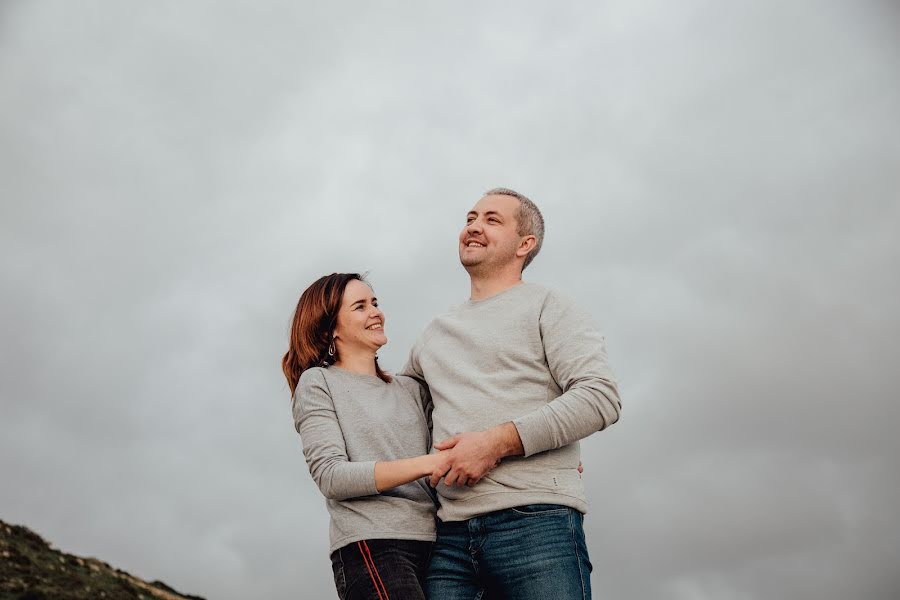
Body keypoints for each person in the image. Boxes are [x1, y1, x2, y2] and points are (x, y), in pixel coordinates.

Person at [400, 188, 622, 599]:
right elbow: (394, 411)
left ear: (525, 244)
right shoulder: (433, 333)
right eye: (470, 218)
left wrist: (494, 443)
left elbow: (600, 397)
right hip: (447, 538)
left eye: (491, 219)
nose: (473, 227)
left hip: (537, 523)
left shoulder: (550, 305)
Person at [283, 273, 456, 600]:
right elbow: (332, 476)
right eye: (360, 307)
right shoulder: (318, 384)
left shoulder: (411, 389)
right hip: (372, 544)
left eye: (375, 303)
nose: (376, 312)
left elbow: (463, 432)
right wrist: (426, 464)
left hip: (441, 543)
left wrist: (542, 461)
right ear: (332, 328)